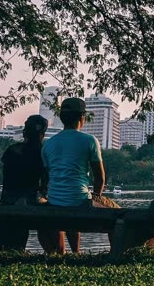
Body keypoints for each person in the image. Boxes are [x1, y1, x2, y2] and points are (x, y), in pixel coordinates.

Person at [40, 97, 107, 254]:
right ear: (82, 117)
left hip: (55, 201)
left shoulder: (48, 144)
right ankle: (76, 252)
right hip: (80, 201)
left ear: (62, 118)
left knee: (66, 205)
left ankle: (64, 252)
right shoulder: (90, 141)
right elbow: (100, 178)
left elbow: (46, 178)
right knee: (85, 200)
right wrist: (97, 196)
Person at [0, 115, 61, 253]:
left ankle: (13, 249)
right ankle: (57, 252)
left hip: (7, 200)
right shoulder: (44, 152)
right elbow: (45, 182)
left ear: (24, 132)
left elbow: (6, 178)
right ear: (43, 134)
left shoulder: (12, 150)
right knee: (54, 213)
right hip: (31, 200)